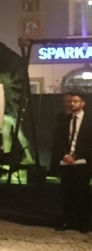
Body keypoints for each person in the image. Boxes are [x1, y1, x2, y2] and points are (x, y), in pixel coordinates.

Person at [51, 92, 92, 232]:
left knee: (82, 193)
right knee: (66, 193)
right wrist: (65, 155)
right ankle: (66, 220)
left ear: (83, 103)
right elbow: (58, 139)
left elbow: (89, 143)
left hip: (83, 162)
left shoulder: (89, 120)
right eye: (71, 101)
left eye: (76, 101)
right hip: (66, 162)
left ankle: (83, 222)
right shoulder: (63, 119)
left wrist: (77, 156)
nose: (72, 104)